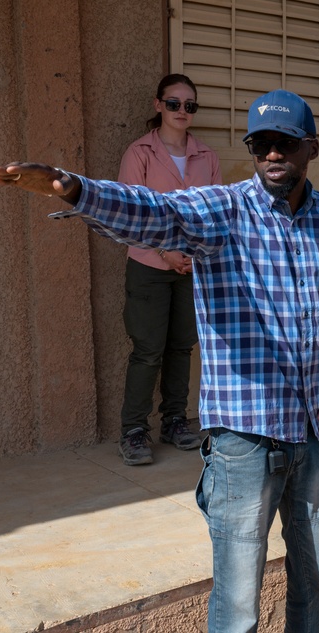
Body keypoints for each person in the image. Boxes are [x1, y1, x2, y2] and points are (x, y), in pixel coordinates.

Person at [0, 89, 319, 632]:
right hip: (243, 442)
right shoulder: (222, 211)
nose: (271, 154)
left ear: (309, 148)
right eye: (260, 143)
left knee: (314, 589)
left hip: (314, 434)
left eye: (284, 144)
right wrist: (77, 191)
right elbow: (155, 213)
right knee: (239, 603)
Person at [116, 74, 221, 466]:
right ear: (158, 105)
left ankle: (175, 421)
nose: (182, 111)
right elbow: (130, 214)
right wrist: (166, 251)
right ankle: (133, 431)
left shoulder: (206, 157)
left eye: (189, 105)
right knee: (147, 351)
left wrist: (193, 253)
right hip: (148, 266)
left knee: (182, 346)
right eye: (174, 103)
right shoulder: (139, 153)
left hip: (192, 268)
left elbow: (213, 213)